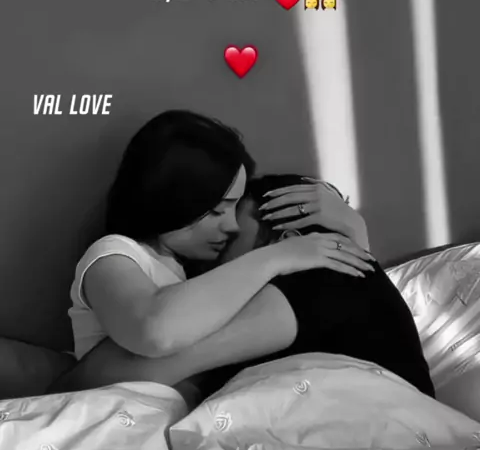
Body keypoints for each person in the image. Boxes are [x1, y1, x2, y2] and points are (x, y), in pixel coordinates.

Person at [54, 171, 434, 401]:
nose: (221, 243)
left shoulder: (321, 279)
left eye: (234, 235)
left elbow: (110, 378)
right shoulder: (346, 287)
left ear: (290, 240)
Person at [67, 111, 374, 371]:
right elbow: (153, 331)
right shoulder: (113, 254)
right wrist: (280, 255)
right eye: (216, 210)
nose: (232, 226)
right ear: (166, 199)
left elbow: (345, 319)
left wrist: (353, 228)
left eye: (235, 207)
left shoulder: (193, 274)